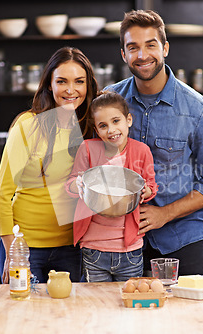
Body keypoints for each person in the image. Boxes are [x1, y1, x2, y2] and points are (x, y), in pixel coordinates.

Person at [105, 10, 203, 276]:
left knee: (190, 317)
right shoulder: (108, 101)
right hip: (120, 241)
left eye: (151, 45)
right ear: (123, 55)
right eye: (133, 47)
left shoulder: (198, 109)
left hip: (183, 238)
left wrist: (165, 213)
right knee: (124, 314)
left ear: (165, 48)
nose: (142, 55)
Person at [0, 46, 98, 283]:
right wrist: (13, 251)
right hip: (25, 247)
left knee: (70, 318)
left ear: (87, 86)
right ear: (49, 84)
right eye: (62, 81)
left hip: (73, 248)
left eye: (79, 82)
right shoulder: (28, 125)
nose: (71, 90)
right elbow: (1, 194)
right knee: (25, 316)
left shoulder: (90, 127)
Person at [65, 91, 158, 282]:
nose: (111, 130)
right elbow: (71, 184)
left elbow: (150, 185)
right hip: (93, 247)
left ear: (128, 120)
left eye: (116, 121)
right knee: (97, 303)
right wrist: (78, 184)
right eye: (103, 126)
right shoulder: (88, 149)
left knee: (129, 301)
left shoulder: (141, 151)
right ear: (96, 130)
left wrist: (144, 191)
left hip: (130, 249)